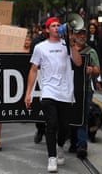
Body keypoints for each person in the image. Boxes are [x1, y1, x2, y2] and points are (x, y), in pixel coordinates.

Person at [24, 17, 82, 173]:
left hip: (65, 92)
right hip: (49, 91)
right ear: (47, 30)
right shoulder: (40, 47)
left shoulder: (66, 45)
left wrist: (71, 45)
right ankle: (51, 157)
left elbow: (78, 62)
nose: (56, 27)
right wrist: (28, 93)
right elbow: (33, 70)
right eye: (53, 26)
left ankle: (60, 146)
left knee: (64, 126)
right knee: (52, 124)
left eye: (58, 25)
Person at [69, 27, 100, 159]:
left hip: (85, 89)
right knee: (69, 116)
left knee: (83, 117)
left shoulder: (91, 52)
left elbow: (98, 71)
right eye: (79, 34)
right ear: (74, 35)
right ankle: (73, 142)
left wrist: (92, 69)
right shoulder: (67, 50)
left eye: (84, 33)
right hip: (68, 90)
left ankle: (82, 145)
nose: (82, 36)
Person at [29, 22, 48, 144]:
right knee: (40, 105)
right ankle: (40, 130)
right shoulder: (37, 42)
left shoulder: (60, 41)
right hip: (40, 77)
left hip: (53, 79)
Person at [87, 23, 102, 90]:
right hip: (89, 56)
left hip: (98, 56)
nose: (92, 29)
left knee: (98, 70)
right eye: (90, 28)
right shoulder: (86, 37)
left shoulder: (99, 37)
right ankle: (93, 83)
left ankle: (98, 82)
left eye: (93, 28)